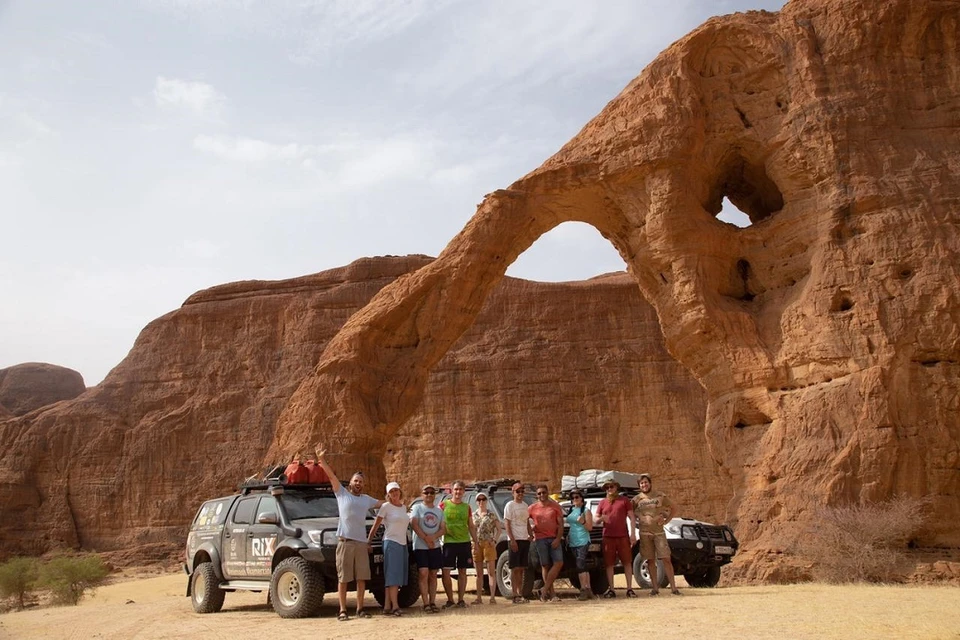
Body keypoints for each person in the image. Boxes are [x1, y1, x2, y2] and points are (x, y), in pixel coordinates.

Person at [315, 448, 385, 621]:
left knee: (362, 578)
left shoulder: (366, 499)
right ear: (350, 483)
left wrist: (395, 499)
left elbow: (382, 504)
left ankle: (360, 609)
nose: (358, 483)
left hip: (361, 543)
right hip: (345, 542)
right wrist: (322, 460)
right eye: (356, 480)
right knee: (344, 578)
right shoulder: (342, 494)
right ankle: (343, 610)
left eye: (361, 481)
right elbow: (332, 477)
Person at [633, 473, 680, 596]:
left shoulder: (660, 496)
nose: (644, 485)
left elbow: (674, 508)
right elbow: (630, 513)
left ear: (650, 483)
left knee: (666, 559)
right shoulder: (636, 499)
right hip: (644, 534)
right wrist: (638, 520)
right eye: (642, 483)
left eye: (646, 482)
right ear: (639, 485)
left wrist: (666, 520)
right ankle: (655, 588)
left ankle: (674, 588)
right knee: (650, 560)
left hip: (659, 533)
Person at [367, 482, 409, 616]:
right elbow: (376, 525)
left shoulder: (403, 508)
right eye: (392, 491)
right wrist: (369, 541)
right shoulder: (385, 507)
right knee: (393, 575)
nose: (395, 493)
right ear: (388, 494)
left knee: (395, 574)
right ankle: (395, 606)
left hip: (402, 543)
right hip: (391, 542)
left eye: (396, 490)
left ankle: (386, 606)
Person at [595, 478, 637, 598]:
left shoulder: (624, 500)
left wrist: (633, 534)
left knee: (627, 562)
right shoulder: (602, 502)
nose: (609, 489)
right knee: (609, 564)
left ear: (616, 487)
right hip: (608, 537)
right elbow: (595, 519)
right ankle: (612, 589)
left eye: (611, 486)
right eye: (607, 487)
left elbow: (632, 517)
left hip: (623, 536)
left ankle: (629, 588)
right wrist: (602, 518)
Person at [440, 480, 478, 608]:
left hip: (464, 542)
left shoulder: (467, 507)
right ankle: (450, 600)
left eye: (460, 490)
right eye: (456, 489)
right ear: (451, 490)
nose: (458, 492)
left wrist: (476, 543)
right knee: (446, 572)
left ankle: (461, 600)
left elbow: (471, 526)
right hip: (449, 543)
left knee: (463, 571)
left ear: (464, 492)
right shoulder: (443, 505)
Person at [409, 483, 445, 613]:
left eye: (431, 492)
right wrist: (426, 538)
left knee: (433, 574)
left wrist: (433, 537)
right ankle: (425, 603)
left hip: (434, 545)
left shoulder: (439, 511)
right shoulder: (417, 507)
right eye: (426, 492)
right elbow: (414, 524)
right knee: (423, 573)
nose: (429, 495)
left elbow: (443, 528)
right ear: (422, 494)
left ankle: (432, 602)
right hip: (420, 546)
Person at [528, 483, 565, 602]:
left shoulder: (555, 506)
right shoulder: (532, 508)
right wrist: (530, 532)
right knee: (545, 565)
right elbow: (523, 520)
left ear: (547, 493)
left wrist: (558, 539)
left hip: (554, 538)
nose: (541, 495)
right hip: (540, 539)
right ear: (536, 495)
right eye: (539, 493)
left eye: (543, 492)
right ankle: (551, 594)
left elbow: (561, 524)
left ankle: (544, 590)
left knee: (559, 562)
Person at [503, 482, 533, 604]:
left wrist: (530, 534)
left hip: (524, 539)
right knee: (514, 568)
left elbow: (526, 522)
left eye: (522, 491)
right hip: (514, 539)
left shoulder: (525, 505)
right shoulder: (509, 506)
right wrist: (512, 539)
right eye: (517, 491)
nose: (520, 494)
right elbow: (507, 524)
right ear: (513, 493)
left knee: (521, 568)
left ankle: (520, 593)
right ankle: (514, 594)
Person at [471, 491, 502, 604]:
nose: (481, 502)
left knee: (491, 572)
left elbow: (499, 529)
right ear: (476, 502)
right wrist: (473, 542)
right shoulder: (473, 515)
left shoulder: (491, 515)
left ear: (487, 501)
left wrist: (494, 540)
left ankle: (492, 597)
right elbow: (471, 529)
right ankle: (478, 598)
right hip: (477, 544)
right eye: (479, 500)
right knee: (479, 573)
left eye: (483, 499)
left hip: (488, 544)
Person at [566, 489, 595, 600]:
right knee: (582, 565)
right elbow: (571, 525)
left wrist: (583, 521)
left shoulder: (586, 511)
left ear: (582, 498)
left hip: (583, 540)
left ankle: (583, 589)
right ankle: (588, 589)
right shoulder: (571, 510)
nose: (574, 499)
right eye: (572, 498)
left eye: (577, 497)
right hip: (573, 541)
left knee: (580, 564)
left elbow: (590, 527)